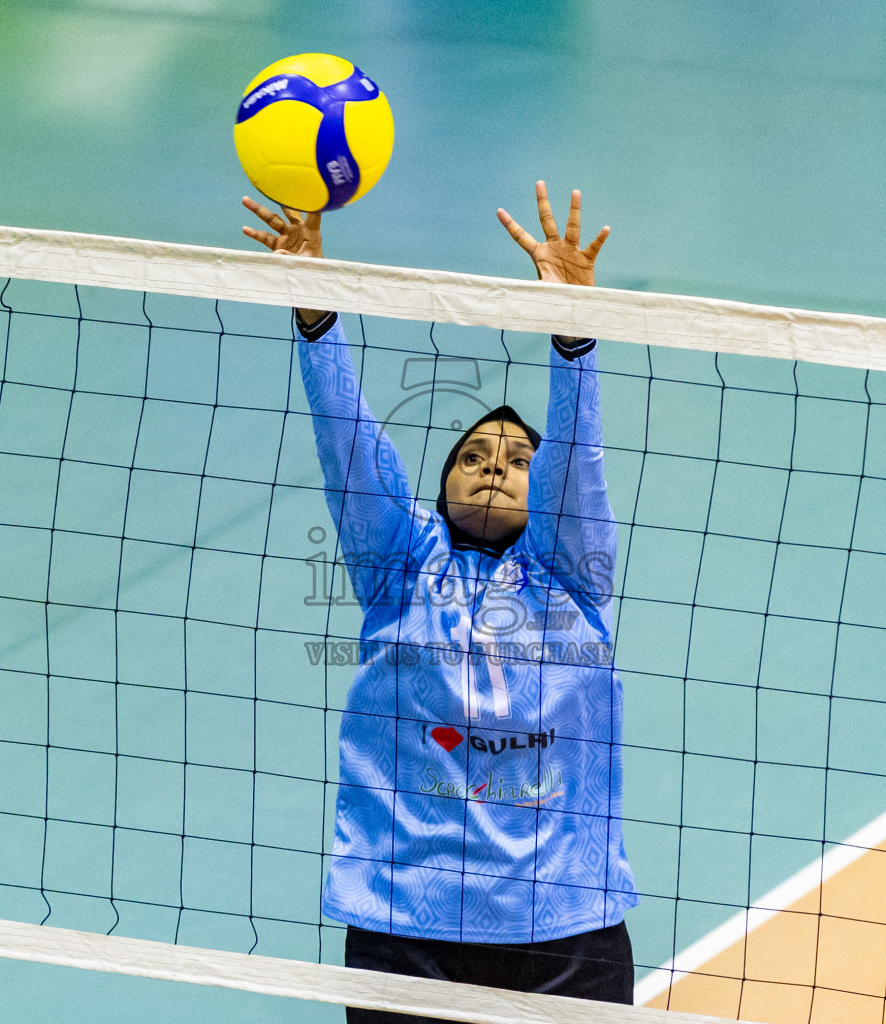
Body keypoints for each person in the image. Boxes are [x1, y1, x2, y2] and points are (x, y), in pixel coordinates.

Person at [242, 183, 637, 1021]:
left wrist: (573, 338)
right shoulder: (400, 566)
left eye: (516, 458)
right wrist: (317, 316)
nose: (493, 463)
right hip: (404, 932)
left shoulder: (574, 573)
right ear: (437, 489)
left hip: (563, 928)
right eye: (471, 456)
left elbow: (578, 461)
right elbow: (349, 449)